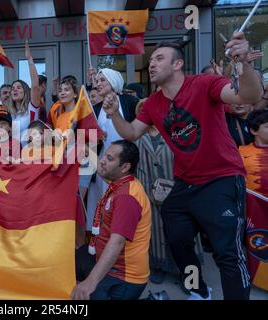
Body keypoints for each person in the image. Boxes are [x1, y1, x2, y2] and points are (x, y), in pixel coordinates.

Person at [102, 33, 263, 300]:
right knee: (176, 237)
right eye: (151, 59)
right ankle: (200, 291)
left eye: (159, 58)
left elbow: (250, 94)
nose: (152, 63)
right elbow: (131, 133)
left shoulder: (204, 84)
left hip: (221, 178)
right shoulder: (153, 103)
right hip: (185, 183)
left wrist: (243, 63)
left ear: (177, 64)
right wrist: (115, 114)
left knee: (228, 254)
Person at [71, 140, 151, 300]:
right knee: (67, 261)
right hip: (105, 259)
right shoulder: (121, 180)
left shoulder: (127, 198)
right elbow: (102, 170)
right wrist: (89, 151)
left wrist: (90, 283)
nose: (102, 161)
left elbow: (117, 242)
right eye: (104, 156)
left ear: (125, 167)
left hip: (122, 277)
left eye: (109, 158)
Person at [134, 100, 203, 285]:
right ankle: (159, 266)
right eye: (142, 111)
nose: (146, 114)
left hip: (179, 190)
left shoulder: (177, 131)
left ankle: (191, 279)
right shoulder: (135, 136)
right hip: (149, 192)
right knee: (154, 232)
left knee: (183, 235)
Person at [86, 68, 138, 233]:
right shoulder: (96, 108)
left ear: (113, 82)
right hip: (102, 163)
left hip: (126, 164)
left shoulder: (130, 102)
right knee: (104, 200)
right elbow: (88, 138)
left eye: (102, 80)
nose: (98, 84)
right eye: (97, 80)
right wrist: (95, 139)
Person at [239, 109, 268, 291]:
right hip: (255, 215)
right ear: (254, 131)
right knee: (259, 247)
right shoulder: (241, 152)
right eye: (267, 126)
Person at [5, 40, 42, 137]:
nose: (15, 90)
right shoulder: (9, 114)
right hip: (14, 151)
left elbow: (35, 86)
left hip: (31, 151)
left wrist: (30, 60)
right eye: (13, 88)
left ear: (25, 91)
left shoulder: (32, 107)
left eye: (18, 87)